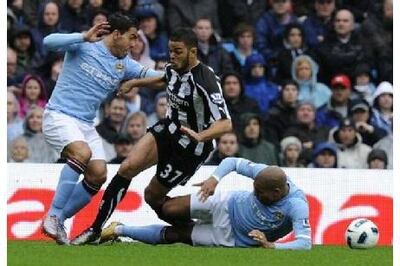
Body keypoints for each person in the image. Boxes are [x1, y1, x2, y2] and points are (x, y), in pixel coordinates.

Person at [72, 28, 232, 245]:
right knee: (127, 167)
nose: (172, 56)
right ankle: (95, 230)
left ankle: (191, 230)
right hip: (168, 128)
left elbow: (225, 123)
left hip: (190, 146)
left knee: (153, 197)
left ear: (193, 52)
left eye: (177, 51)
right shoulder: (174, 67)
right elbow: (164, 78)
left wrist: (201, 135)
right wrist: (135, 83)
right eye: (170, 51)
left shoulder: (206, 81)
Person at [41, 13, 162, 245]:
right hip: (59, 115)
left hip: (86, 125)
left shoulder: (124, 64)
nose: (134, 44)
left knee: (98, 174)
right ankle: (54, 214)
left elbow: (157, 77)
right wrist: (82, 36)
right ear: (116, 34)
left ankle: (59, 221)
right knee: (82, 153)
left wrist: (139, 81)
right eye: (132, 37)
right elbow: (48, 43)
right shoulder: (84, 45)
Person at [100, 157, 312, 250]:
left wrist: (271, 245)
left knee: (175, 235)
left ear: (276, 193)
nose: (255, 193)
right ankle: (182, 227)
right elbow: (233, 162)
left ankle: (119, 230)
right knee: (169, 208)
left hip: (232, 238)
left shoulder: (296, 205)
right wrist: (214, 179)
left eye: (260, 193)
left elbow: (304, 244)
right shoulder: (266, 174)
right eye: (254, 189)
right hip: (227, 203)